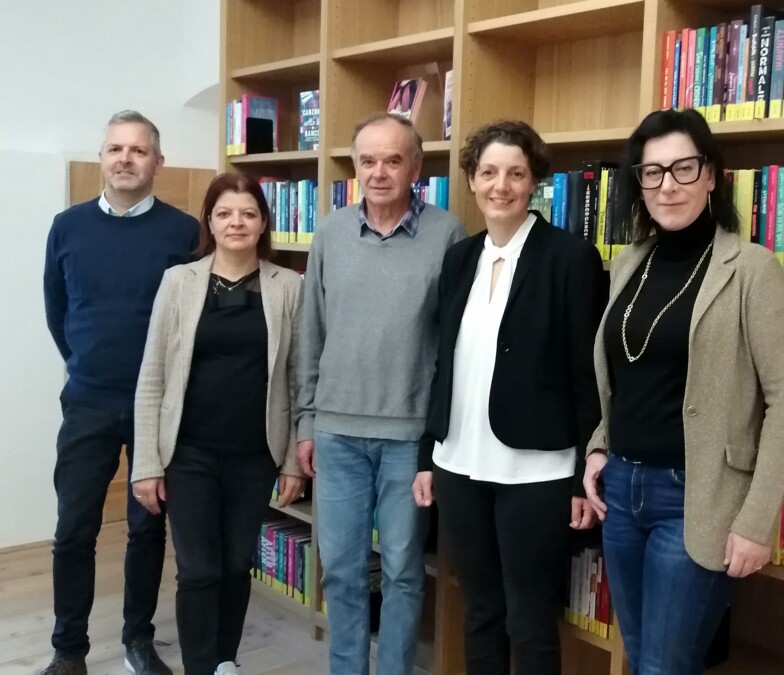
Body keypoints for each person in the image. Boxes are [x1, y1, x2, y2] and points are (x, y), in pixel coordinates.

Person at [582, 109, 784, 675]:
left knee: (664, 667)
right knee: (640, 660)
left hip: (696, 498)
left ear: (712, 176)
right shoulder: (630, 262)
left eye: (684, 168)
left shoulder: (751, 269)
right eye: (652, 172)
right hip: (622, 492)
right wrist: (598, 446)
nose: (668, 185)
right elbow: (623, 374)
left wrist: (756, 521)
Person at [412, 120, 609, 675]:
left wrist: (578, 477)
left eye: (516, 174)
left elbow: (585, 374)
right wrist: (430, 455)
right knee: (479, 612)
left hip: (537, 472)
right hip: (459, 467)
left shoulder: (570, 258)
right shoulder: (459, 260)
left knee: (530, 620)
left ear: (534, 183)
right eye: (489, 172)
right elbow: (443, 363)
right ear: (472, 180)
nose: (501, 185)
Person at [295, 112, 466, 675]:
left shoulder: (447, 233)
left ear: (416, 166)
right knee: (341, 568)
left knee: (401, 569)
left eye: (393, 160)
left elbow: (454, 344)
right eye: (368, 160)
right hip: (337, 433)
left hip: (408, 439)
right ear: (354, 167)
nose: (380, 172)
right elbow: (310, 333)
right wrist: (306, 423)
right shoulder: (330, 232)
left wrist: (438, 439)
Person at [42, 110, 198, 675]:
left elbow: (188, 320)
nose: (125, 159)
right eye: (115, 149)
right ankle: (69, 649)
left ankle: (138, 640)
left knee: (146, 528)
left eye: (137, 150)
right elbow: (58, 311)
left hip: (156, 408)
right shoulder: (68, 226)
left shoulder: (183, 232)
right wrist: (87, 363)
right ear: (102, 157)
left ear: (158, 162)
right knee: (73, 529)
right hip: (87, 402)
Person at [131, 173, 304, 675]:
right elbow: (152, 377)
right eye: (225, 213)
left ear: (264, 222)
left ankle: (225, 662)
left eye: (248, 213)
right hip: (188, 454)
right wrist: (146, 463)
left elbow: (297, 379)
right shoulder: (179, 282)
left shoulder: (287, 286)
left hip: (255, 454)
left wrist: (293, 459)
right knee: (199, 570)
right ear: (209, 220)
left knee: (234, 566)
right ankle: (201, 667)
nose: (237, 222)